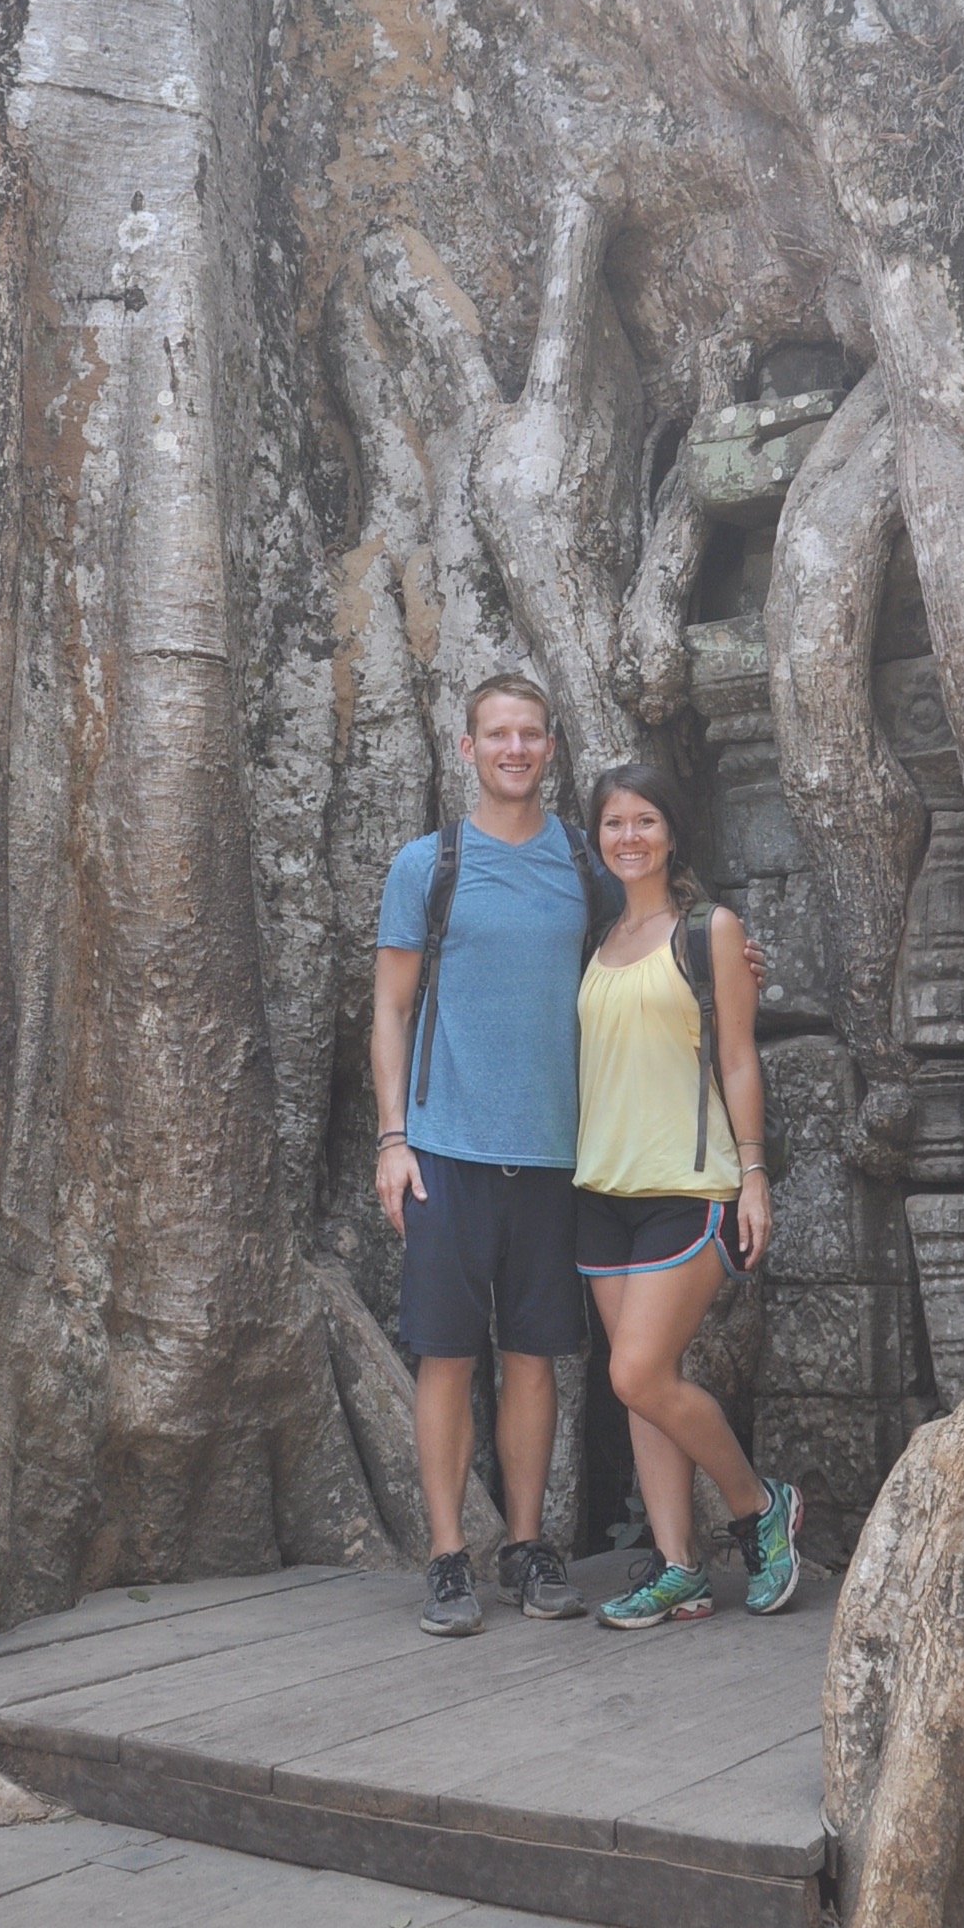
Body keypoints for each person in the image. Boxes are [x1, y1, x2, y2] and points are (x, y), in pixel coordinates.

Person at [372, 675, 603, 1637]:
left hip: (556, 1153)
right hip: (446, 1148)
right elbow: (389, 1007)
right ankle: (445, 1557)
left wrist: (734, 962)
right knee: (447, 1359)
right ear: (466, 750)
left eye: (531, 735)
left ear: (552, 748)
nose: (515, 749)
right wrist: (393, 1139)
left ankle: (526, 1543)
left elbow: (656, 950)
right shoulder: (428, 866)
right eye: (497, 735)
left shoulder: (586, 868)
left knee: (536, 1358)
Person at [574, 759, 801, 1627]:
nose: (628, 838)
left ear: (672, 833)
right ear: (597, 840)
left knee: (636, 1370)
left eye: (645, 822)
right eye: (613, 825)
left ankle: (756, 1506)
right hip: (602, 1187)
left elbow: (739, 1057)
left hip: (690, 1185)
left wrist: (753, 1176)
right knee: (642, 1383)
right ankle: (678, 1566)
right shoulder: (595, 942)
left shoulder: (710, 932)